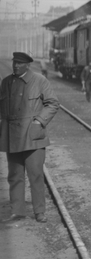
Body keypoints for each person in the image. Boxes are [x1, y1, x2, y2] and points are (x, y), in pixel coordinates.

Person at [1, 52, 60, 223]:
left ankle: (39, 212)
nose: (15, 65)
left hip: (32, 137)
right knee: (14, 176)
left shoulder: (40, 80)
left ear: (28, 65)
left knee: (36, 175)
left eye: (19, 63)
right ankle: (17, 211)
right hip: (12, 137)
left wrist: (39, 121)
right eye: (14, 62)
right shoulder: (6, 82)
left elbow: (53, 103)